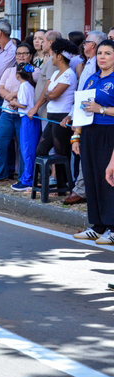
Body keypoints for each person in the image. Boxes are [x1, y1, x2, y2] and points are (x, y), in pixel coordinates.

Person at [71, 39, 114, 245]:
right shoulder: (91, 78)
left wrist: (102, 109)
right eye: (100, 53)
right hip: (89, 132)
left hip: (109, 132)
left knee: (108, 180)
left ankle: (112, 226)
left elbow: (99, 107)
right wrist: (76, 136)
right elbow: (81, 108)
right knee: (91, 177)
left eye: (107, 53)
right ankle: (97, 226)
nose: (102, 57)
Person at [0, 43, 37, 183]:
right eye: (18, 53)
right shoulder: (9, 71)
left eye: (24, 53)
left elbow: (31, 87)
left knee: (23, 145)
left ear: (30, 55)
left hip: (23, 113)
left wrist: (14, 95)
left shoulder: (34, 70)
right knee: (0, 140)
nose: (21, 56)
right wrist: (10, 97)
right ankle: (1, 172)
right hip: (7, 110)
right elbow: (1, 88)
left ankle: (23, 175)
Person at [35, 38, 79, 161]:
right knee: (41, 150)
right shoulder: (56, 74)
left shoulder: (69, 74)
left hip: (62, 117)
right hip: (52, 117)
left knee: (61, 153)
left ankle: (62, 180)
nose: (52, 57)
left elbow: (52, 95)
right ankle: (46, 178)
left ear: (59, 57)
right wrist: (49, 94)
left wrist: (49, 94)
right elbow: (47, 92)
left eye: (53, 54)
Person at [9, 63, 40, 192]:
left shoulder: (23, 86)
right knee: (29, 149)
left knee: (27, 150)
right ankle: (28, 177)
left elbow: (23, 104)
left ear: (17, 75)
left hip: (27, 119)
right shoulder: (31, 86)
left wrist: (13, 102)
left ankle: (27, 179)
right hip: (32, 118)